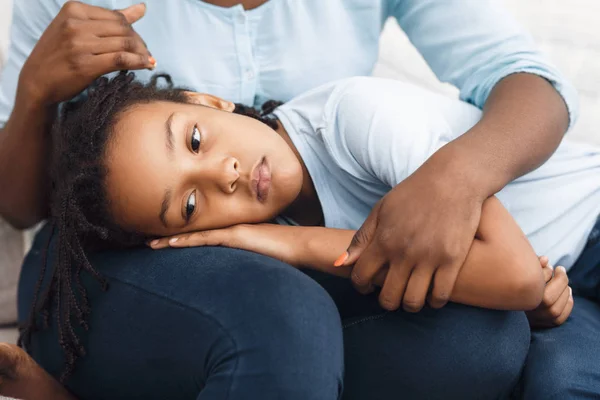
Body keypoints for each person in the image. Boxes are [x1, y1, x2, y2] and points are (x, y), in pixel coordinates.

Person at [0, 0, 592, 399]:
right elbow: (22, 208)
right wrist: (34, 90)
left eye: (197, 141)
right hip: (127, 256)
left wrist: (454, 178)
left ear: (208, 103)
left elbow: (524, 79)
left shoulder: (360, 120)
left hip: (560, 232)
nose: (224, 175)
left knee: (477, 349)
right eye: (189, 205)